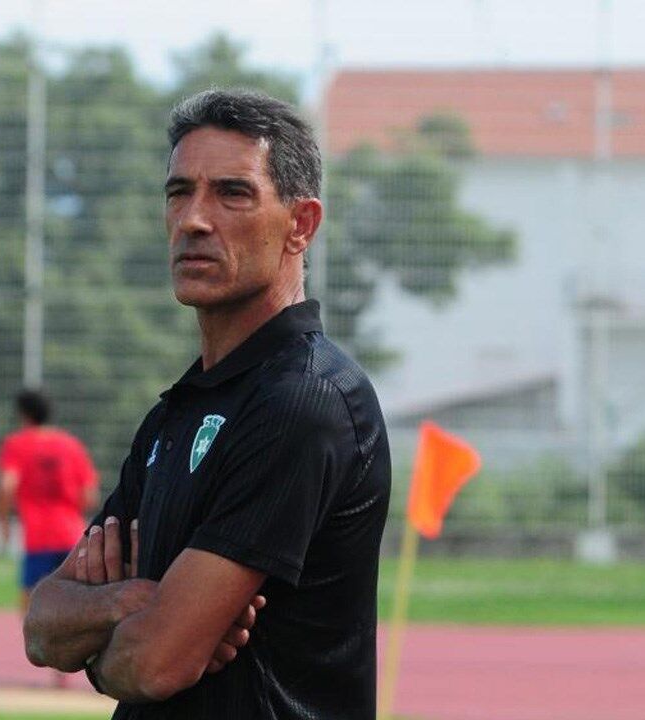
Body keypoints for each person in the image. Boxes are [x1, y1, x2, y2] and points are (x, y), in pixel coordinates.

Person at [23, 89, 391, 719]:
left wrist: (109, 648)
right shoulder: (177, 412)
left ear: (301, 224)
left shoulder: (305, 402)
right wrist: (129, 605)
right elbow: (41, 627)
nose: (194, 219)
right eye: (178, 192)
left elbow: (154, 663)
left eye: (232, 193)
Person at [0, 389, 99, 615]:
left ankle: (33, 639)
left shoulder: (17, 444)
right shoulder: (71, 445)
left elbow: (6, 486)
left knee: (30, 601)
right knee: (75, 601)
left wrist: (3, 522)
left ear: (23, 414)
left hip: (38, 537)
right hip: (72, 535)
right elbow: (90, 495)